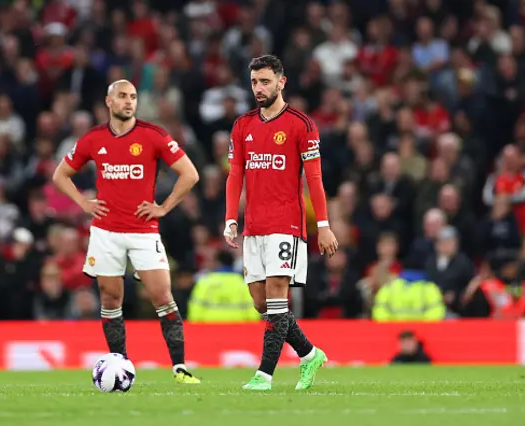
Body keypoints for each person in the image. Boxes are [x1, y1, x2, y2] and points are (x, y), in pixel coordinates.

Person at [52, 79, 200, 384]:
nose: (129, 101)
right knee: (110, 299)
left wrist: (163, 207)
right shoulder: (93, 139)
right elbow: (61, 174)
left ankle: (180, 368)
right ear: (109, 102)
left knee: (162, 296)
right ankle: (121, 366)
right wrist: (82, 202)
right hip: (106, 232)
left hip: (144, 231)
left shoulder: (153, 134)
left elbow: (190, 173)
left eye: (132, 96)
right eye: (122, 96)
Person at [224, 55, 338, 391]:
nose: (259, 88)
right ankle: (310, 353)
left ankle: (264, 376)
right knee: (261, 303)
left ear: (281, 82)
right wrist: (231, 218)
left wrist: (325, 225)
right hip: (254, 227)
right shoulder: (243, 125)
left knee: (277, 299)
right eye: (255, 82)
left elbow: (314, 179)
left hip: (286, 223)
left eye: (265, 81)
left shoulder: (302, 125)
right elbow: (235, 176)